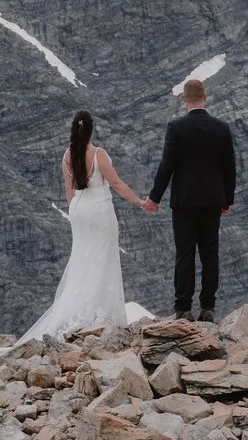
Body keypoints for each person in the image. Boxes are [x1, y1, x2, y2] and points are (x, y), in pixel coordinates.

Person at [16, 110, 151, 342]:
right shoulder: (98, 154)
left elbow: (69, 190)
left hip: (79, 209)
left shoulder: (67, 156)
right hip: (99, 209)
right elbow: (116, 183)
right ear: (91, 130)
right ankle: (102, 314)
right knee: (103, 257)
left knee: (82, 258)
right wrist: (140, 201)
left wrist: (77, 210)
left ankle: (78, 312)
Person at [147, 78, 237, 321]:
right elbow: (229, 167)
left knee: (185, 254)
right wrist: (227, 199)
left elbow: (167, 165)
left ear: (184, 99)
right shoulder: (221, 128)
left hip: (184, 202)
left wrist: (154, 198)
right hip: (212, 201)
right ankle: (207, 308)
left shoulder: (176, 127)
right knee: (210, 254)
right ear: (205, 98)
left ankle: (183, 309)